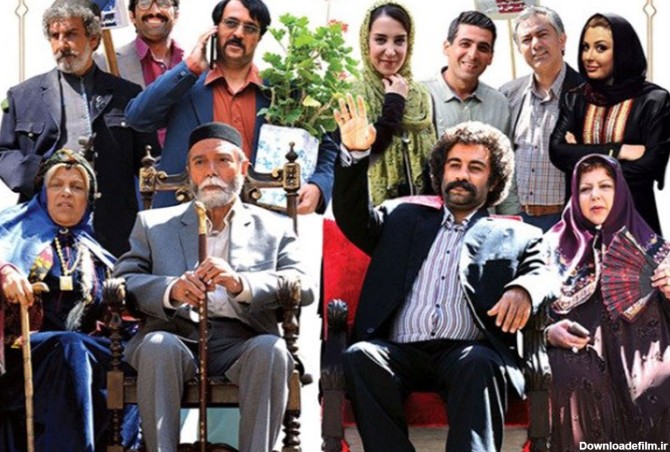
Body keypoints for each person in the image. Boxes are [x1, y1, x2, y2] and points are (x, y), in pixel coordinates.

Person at [332, 94, 557, 451]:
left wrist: (524, 290)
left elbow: (545, 272)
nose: (462, 175)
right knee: (361, 356)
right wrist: (356, 154)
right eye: (454, 165)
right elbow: (352, 216)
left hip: (467, 352)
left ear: (493, 180)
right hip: (399, 350)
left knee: (478, 362)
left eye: (475, 167)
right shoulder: (403, 218)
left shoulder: (516, 234)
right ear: (442, 172)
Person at [113, 122, 315, 452]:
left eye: (222, 160)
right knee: (157, 345)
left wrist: (241, 284)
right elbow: (123, 281)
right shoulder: (153, 224)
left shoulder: (274, 227)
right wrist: (171, 290)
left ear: (243, 168)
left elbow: (303, 285)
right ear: (190, 172)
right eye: (200, 162)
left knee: (272, 350)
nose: (210, 171)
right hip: (176, 336)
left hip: (243, 340)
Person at [124, 0, 337, 213]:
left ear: (260, 37)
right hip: (187, 218)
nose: (238, 33)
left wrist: (318, 185)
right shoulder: (184, 86)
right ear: (215, 30)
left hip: (263, 219)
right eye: (231, 23)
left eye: (250, 28)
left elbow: (327, 146)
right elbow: (137, 118)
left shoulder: (283, 93)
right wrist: (191, 66)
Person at [0, 149, 138, 451]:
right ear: (43, 194)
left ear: (88, 200)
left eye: (77, 187)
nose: (66, 193)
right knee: (69, 347)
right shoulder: (10, 233)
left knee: (135, 356)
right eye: (57, 185)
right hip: (23, 353)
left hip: (81, 350)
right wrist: (5, 273)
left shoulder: (96, 252)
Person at [0, 0, 159, 257]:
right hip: (41, 230)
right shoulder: (23, 96)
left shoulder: (126, 95)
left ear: (93, 39)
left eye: (71, 34)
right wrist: (35, 174)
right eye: (55, 36)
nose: (62, 44)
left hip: (113, 230)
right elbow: (4, 153)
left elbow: (149, 161)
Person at [544, 154, 670, 448]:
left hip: (647, 352)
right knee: (571, 374)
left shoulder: (655, 247)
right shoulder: (549, 247)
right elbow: (534, 316)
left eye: (605, 186)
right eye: (585, 188)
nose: (595, 195)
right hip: (579, 350)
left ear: (621, 191)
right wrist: (547, 334)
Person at [550, 13, 670, 234]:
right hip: (583, 227)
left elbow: (650, 165)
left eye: (601, 48)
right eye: (585, 47)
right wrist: (618, 150)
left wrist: (580, 155)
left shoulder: (653, 101)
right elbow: (558, 152)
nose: (588, 56)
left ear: (624, 52)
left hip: (635, 223)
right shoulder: (576, 98)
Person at [500, 6, 584, 231]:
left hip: (567, 221)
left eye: (542, 34)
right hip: (517, 220)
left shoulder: (589, 94)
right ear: (519, 49)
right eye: (526, 39)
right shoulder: (508, 95)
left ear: (562, 40)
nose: (535, 44)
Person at [353, 0, 435, 205]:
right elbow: (364, 155)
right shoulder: (353, 95)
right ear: (366, 41)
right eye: (380, 40)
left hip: (421, 209)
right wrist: (394, 103)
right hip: (368, 211)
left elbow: (432, 160)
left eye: (399, 41)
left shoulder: (421, 95)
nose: (390, 51)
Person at [95, 0, 183, 89]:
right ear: (132, 16)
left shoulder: (189, 60)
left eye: (164, 3)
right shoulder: (103, 64)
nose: (154, 11)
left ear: (176, 15)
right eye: (144, 4)